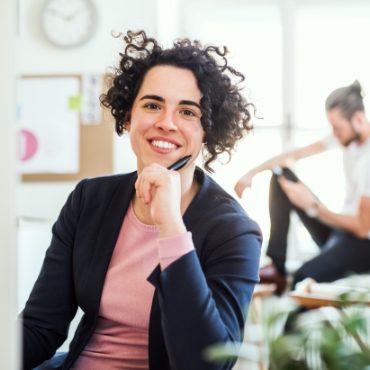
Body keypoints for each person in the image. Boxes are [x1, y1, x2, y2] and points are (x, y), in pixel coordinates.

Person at [21, 30, 262, 370]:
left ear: (208, 130)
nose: (166, 123)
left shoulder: (234, 231)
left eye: (188, 112)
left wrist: (170, 226)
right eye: (152, 105)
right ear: (129, 115)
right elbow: (40, 327)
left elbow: (205, 364)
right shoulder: (90, 199)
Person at [235, 80, 370, 295]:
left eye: (337, 128)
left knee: (302, 277)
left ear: (359, 119)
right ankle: (277, 267)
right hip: (342, 233)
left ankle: (293, 327)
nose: (334, 134)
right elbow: (293, 154)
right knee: (281, 175)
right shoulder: (349, 138)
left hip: (363, 245)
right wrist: (251, 173)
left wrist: (314, 207)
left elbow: (363, 228)